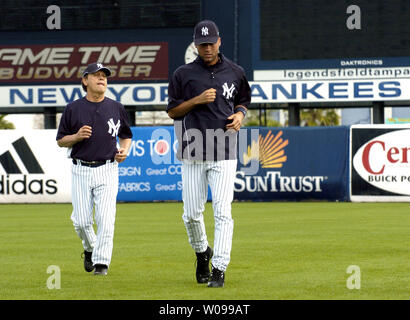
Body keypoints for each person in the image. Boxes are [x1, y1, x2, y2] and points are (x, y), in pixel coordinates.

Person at [167, 20, 251, 287]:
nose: (207, 48)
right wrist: (196, 100)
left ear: (219, 41)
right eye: (202, 44)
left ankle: (219, 268)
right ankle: (203, 253)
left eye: (211, 43)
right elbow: (172, 111)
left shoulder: (235, 72)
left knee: (223, 212)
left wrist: (240, 114)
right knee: (191, 214)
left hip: (225, 150)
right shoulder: (183, 73)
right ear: (196, 44)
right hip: (193, 150)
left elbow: (243, 100)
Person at [56, 62, 132, 276]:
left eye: (104, 76)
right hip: (81, 169)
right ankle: (90, 248)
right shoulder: (73, 108)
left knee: (106, 219)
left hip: (108, 169)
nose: (102, 79)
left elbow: (126, 135)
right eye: (96, 75)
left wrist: (124, 151)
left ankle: (101, 263)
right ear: (85, 80)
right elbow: (61, 141)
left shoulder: (116, 107)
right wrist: (76, 137)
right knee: (80, 221)